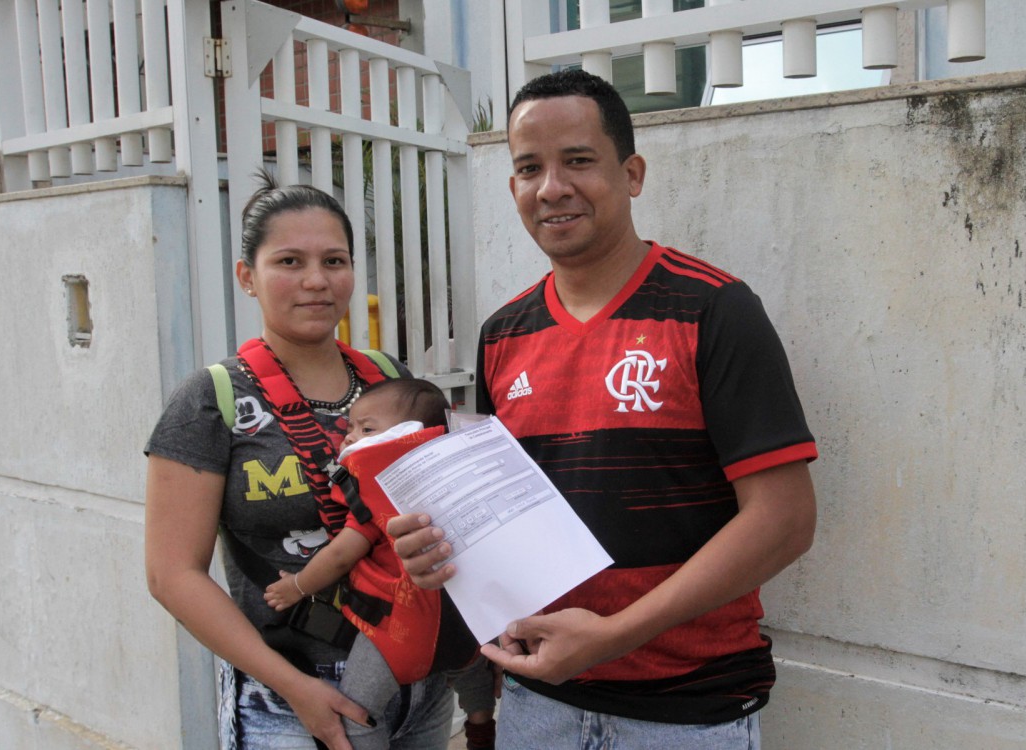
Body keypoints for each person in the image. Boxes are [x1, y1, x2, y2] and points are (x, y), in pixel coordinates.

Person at [388, 69, 819, 748]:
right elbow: (507, 522)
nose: (551, 187)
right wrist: (439, 550)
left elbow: (785, 521)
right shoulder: (503, 335)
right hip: (536, 707)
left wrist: (614, 635)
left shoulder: (713, 309)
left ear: (632, 174)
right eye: (529, 168)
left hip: (686, 713)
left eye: (578, 161)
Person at [144, 175, 455, 750]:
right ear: (247, 277)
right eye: (290, 261)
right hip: (290, 698)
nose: (316, 280)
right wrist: (294, 689)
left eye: (334, 261)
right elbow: (172, 575)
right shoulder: (210, 399)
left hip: (416, 681)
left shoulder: (389, 379)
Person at [263, 378, 497, 750]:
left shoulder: (378, 486)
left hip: (401, 631)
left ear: (407, 433)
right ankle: (481, 726)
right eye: (350, 427)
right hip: (463, 622)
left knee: (356, 711)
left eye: (367, 429)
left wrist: (296, 586)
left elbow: (341, 555)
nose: (350, 436)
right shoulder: (450, 474)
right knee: (471, 673)